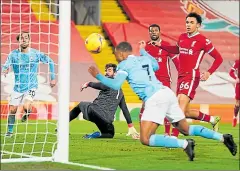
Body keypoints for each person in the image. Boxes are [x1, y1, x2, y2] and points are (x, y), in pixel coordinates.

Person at [88, 41, 237, 161]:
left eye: (116, 54)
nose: (116, 56)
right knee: (186, 129)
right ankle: (223, 137)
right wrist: (144, 51)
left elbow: (115, 85)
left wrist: (98, 75)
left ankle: (184, 144)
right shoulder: (144, 58)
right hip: (167, 93)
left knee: (145, 138)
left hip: (154, 98)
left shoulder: (124, 65)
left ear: (121, 53)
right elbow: (156, 65)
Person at [158, 12, 223, 137]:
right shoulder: (182, 37)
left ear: (198, 25)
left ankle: (174, 138)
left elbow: (218, 58)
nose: (188, 25)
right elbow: (177, 50)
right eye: (187, 22)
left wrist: (209, 72)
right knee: (186, 112)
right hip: (181, 77)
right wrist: (161, 46)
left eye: (191, 22)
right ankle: (213, 120)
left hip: (191, 76)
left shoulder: (203, 40)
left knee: (178, 108)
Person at [2, 31, 56, 137]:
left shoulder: (36, 54)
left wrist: (53, 78)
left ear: (29, 40)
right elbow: (6, 65)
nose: (24, 39)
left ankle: (27, 111)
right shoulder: (13, 54)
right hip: (17, 88)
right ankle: (9, 131)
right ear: (19, 41)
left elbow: (50, 61)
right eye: (22, 38)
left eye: (26, 37)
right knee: (12, 110)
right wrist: (5, 69)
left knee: (26, 105)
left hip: (31, 86)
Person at [69, 63, 139, 139]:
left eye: (109, 70)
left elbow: (100, 85)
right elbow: (124, 109)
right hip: (106, 119)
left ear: (115, 74)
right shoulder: (121, 92)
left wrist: (88, 83)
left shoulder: (109, 83)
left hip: (94, 111)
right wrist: (130, 126)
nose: (106, 72)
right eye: (106, 70)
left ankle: (62, 126)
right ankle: (95, 136)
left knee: (80, 105)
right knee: (109, 134)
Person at [139, 24, 179, 136]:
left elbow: (177, 63)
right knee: (145, 105)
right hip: (150, 81)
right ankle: (143, 133)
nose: (153, 32)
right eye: (151, 31)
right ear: (149, 33)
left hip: (164, 80)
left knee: (165, 105)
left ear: (159, 32)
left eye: (156, 30)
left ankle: (167, 133)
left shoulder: (166, 45)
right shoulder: (145, 47)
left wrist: (183, 74)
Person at [229, 59, 239, 127]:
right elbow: (231, 72)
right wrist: (236, 78)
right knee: (238, 103)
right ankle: (235, 117)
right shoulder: (237, 62)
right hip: (239, 85)